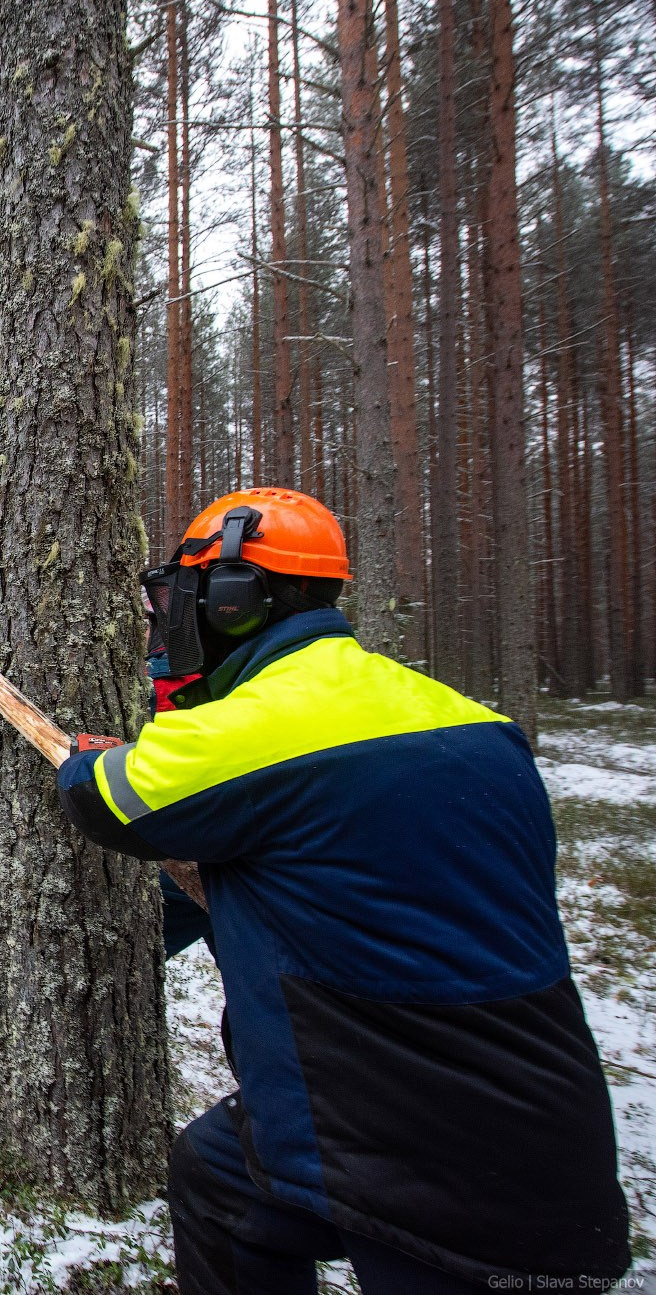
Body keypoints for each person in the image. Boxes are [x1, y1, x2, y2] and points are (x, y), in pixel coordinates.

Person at [56, 487, 629, 1293]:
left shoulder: (257, 728)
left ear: (231, 600)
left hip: (404, 1135)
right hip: (536, 1119)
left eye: (176, 598)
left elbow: (105, 794)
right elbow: (302, 857)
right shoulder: (471, 719)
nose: (164, 622)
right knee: (217, 1182)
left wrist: (85, 755)